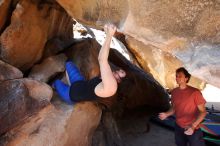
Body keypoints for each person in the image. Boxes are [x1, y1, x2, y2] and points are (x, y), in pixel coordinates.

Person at [53, 24, 126, 105]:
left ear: (119, 81)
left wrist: (109, 35)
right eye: (119, 70)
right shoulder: (111, 78)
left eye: (120, 73)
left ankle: (67, 94)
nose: (117, 71)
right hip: (79, 83)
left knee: (56, 82)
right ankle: (71, 84)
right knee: (69, 64)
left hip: (71, 95)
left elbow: (102, 60)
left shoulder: (111, 87)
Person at [158, 67, 207, 146]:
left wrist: (193, 126)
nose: (177, 78)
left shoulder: (195, 92)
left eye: (179, 76)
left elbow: (203, 112)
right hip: (178, 126)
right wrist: (167, 114)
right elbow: (174, 108)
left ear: (186, 78)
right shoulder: (174, 92)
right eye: (176, 76)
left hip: (193, 128)